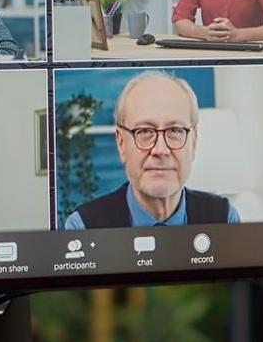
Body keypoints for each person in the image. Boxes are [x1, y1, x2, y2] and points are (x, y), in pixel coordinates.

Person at [63, 71, 242, 229]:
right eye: (145, 131)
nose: (160, 149)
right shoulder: (83, 228)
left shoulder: (225, 219)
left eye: (175, 130)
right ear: (121, 143)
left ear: (193, 141)